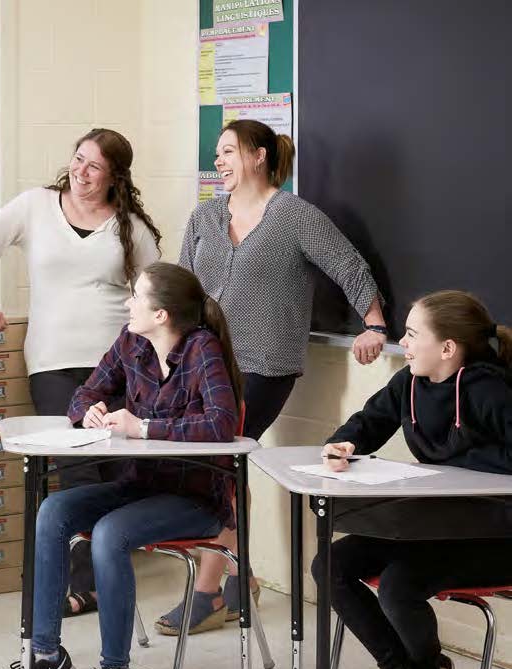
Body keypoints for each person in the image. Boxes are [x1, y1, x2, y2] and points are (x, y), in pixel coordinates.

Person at [160, 118, 389, 635]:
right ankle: (239, 579)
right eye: (216, 154)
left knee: (217, 461)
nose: (217, 161)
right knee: (217, 466)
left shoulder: (293, 215)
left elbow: (349, 265)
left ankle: (209, 591)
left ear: (258, 155)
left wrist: (374, 324)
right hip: (205, 362)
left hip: (265, 363)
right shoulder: (204, 217)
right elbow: (182, 289)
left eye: (226, 152)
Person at [0, 262, 243, 669]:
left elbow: (222, 423)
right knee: (53, 511)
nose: (128, 303)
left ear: (162, 314)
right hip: (140, 486)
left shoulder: (202, 350)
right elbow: (86, 392)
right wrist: (88, 410)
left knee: (109, 534)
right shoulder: (132, 342)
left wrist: (144, 426)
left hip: (195, 499)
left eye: (136, 296)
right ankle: (47, 656)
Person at [0, 128, 161, 617]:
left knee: (116, 469)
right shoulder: (35, 205)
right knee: (77, 465)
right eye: (78, 159)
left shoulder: (128, 226)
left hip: (117, 365)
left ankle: (96, 579)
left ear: (115, 175)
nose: (81, 171)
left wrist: (159, 361)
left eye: (94, 166)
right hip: (52, 362)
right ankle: (85, 583)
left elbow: (158, 293)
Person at [312, 291, 512, 669]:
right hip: (434, 523)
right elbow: (367, 422)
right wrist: (343, 445)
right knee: (330, 564)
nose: (402, 342)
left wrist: (460, 465)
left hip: (493, 533)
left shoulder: (488, 390)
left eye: (413, 334)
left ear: (448, 348)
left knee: (399, 584)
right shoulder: (410, 383)